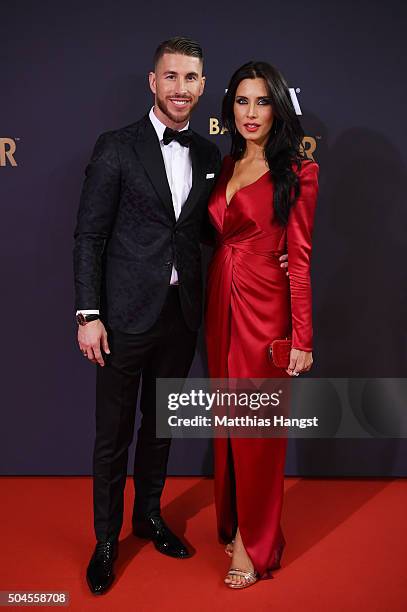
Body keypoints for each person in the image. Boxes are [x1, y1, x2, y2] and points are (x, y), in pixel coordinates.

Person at [73, 36, 222, 595]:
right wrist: (89, 314)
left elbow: (208, 233)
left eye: (192, 78)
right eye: (171, 77)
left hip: (180, 318)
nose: (181, 89)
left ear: (203, 86)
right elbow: (88, 236)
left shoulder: (208, 155)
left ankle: (149, 516)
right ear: (152, 82)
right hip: (122, 318)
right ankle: (107, 540)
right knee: (111, 436)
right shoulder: (116, 147)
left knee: (159, 429)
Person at [205, 61, 319, 589]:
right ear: (231, 107)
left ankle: (257, 545)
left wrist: (302, 337)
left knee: (257, 433)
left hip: (264, 310)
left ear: (278, 106)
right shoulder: (227, 166)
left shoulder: (298, 172)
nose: (251, 113)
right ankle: (233, 524)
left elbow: (299, 258)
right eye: (242, 102)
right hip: (220, 308)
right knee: (228, 428)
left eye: (262, 102)